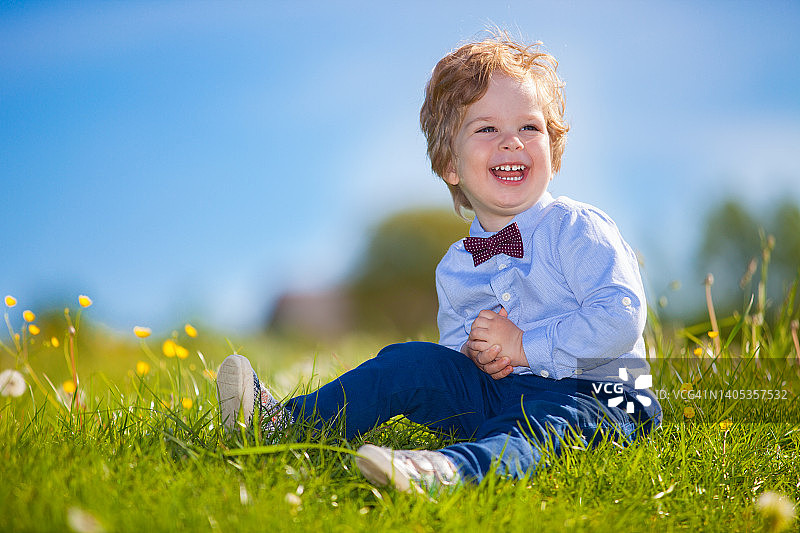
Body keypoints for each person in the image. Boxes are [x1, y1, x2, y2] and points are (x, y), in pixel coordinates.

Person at [216, 34, 661, 495]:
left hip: (602, 395)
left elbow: (620, 317)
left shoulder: (576, 227)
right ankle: (286, 425)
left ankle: (447, 472)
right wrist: (476, 356)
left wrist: (524, 346)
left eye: (529, 127)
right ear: (451, 164)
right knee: (410, 362)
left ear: (552, 146)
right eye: (487, 129)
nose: (512, 142)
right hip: (502, 393)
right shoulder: (457, 266)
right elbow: (454, 358)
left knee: (538, 422)